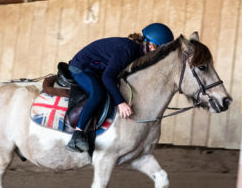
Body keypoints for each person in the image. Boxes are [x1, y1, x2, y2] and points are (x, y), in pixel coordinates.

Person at [66, 23, 174, 152]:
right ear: (150, 45)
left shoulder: (139, 55)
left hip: (96, 68)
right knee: (98, 93)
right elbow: (107, 77)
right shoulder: (127, 50)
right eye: (159, 51)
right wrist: (121, 103)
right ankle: (77, 136)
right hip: (81, 67)